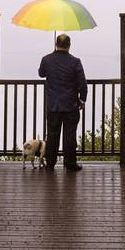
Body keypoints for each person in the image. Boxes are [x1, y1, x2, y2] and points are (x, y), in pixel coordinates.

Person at [39, 33, 87, 171]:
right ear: (69, 45)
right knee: (70, 135)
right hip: (71, 105)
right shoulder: (75, 61)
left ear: (56, 44)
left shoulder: (46, 59)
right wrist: (82, 99)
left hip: (53, 104)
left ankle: (51, 163)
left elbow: (41, 73)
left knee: (52, 135)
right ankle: (70, 163)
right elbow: (82, 84)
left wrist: (50, 57)